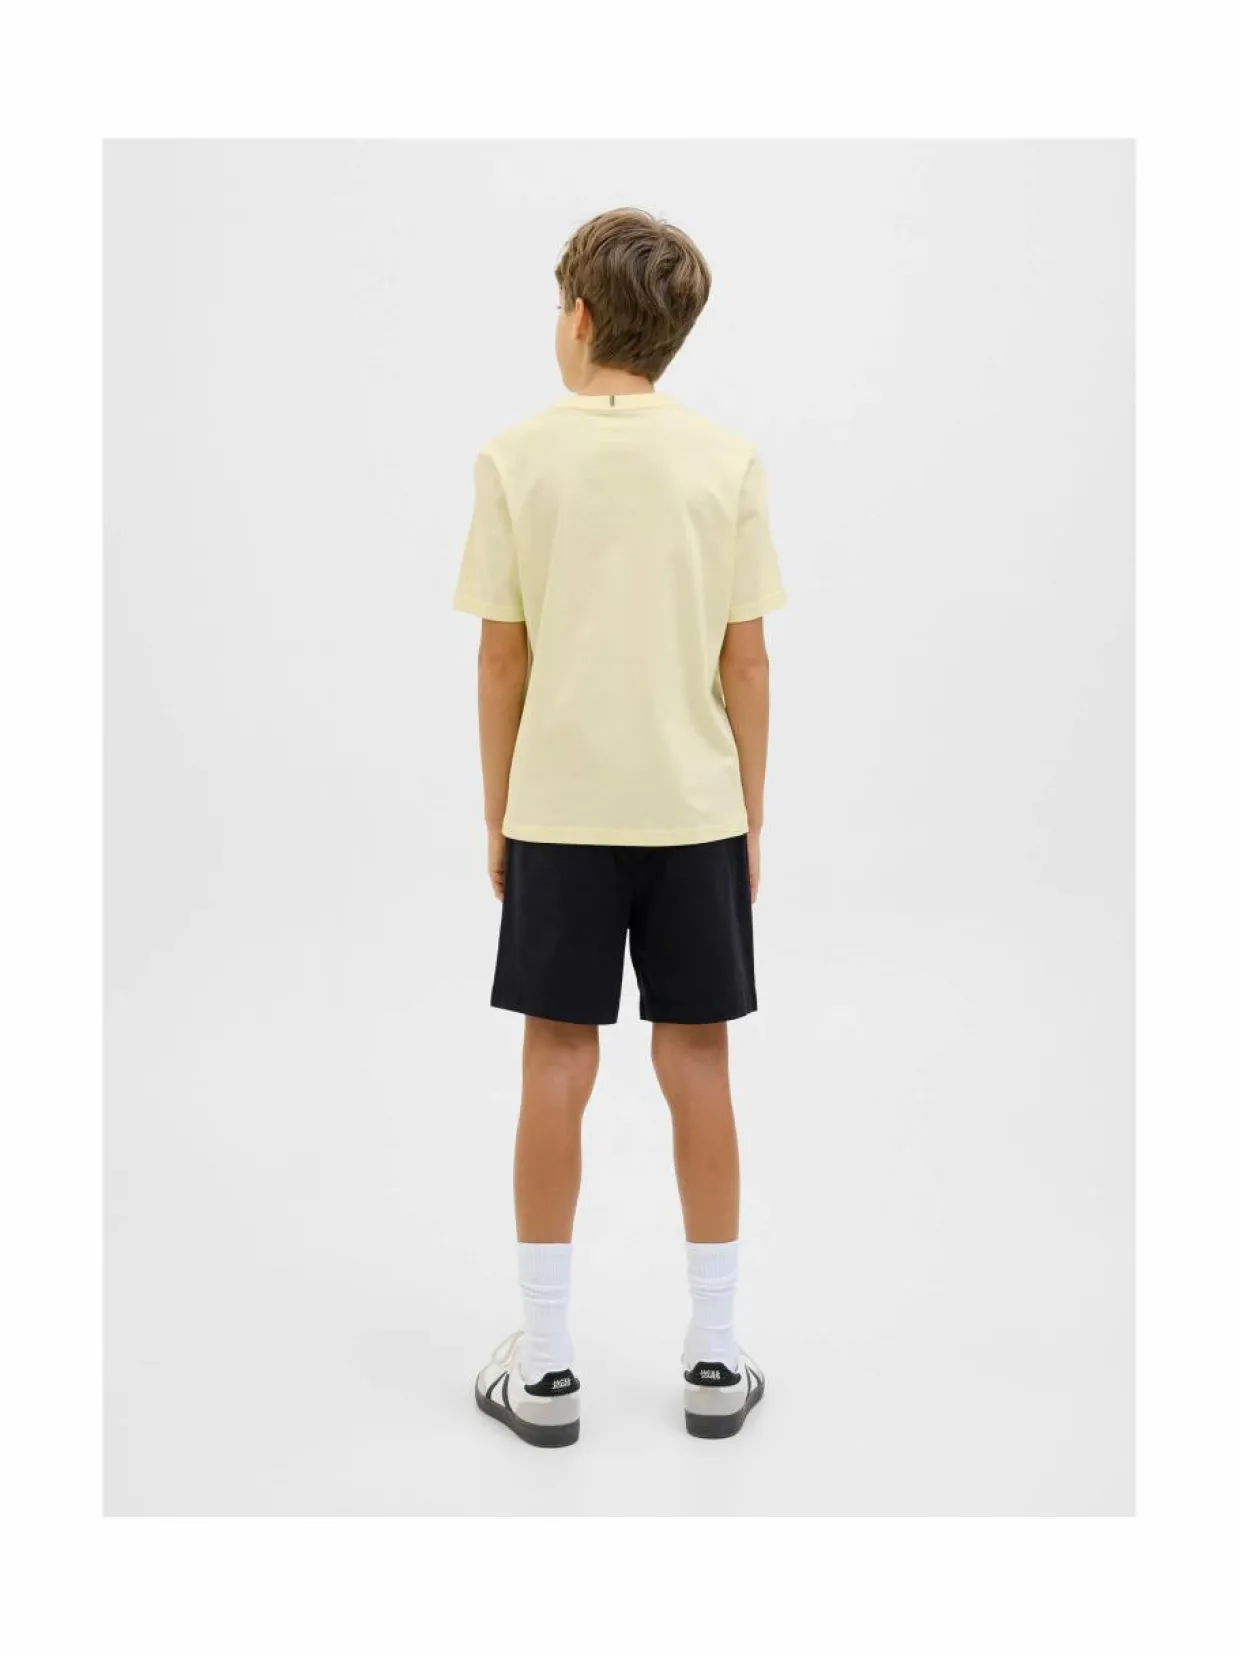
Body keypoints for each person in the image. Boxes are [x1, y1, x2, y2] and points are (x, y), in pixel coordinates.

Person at [453, 207, 785, 1446]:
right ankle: (714, 1356)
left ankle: (545, 1366)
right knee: (699, 1064)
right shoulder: (725, 461)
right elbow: (745, 663)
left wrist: (501, 815)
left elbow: (502, 660)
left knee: (555, 1060)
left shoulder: (514, 459)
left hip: (561, 812)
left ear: (581, 317)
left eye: (559, 307)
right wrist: (748, 818)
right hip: (695, 814)